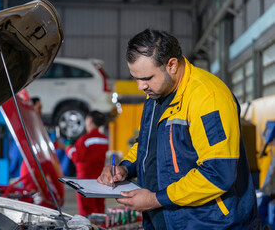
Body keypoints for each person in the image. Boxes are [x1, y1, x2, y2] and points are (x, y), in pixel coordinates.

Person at [97, 29, 260, 229]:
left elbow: (217, 174)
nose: (141, 86)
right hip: (168, 220)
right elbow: (146, 144)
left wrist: (155, 199)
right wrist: (124, 168)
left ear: (172, 65)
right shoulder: (156, 95)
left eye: (147, 78)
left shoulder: (209, 98)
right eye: (136, 78)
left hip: (210, 223)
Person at [66, 110, 109, 216]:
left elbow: (76, 157)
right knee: (99, 211)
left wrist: (68, 148)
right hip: (100, 181)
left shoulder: (84, 140)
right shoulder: (105, 139)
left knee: (86, 213)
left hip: (84, 183)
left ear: (89, 120)